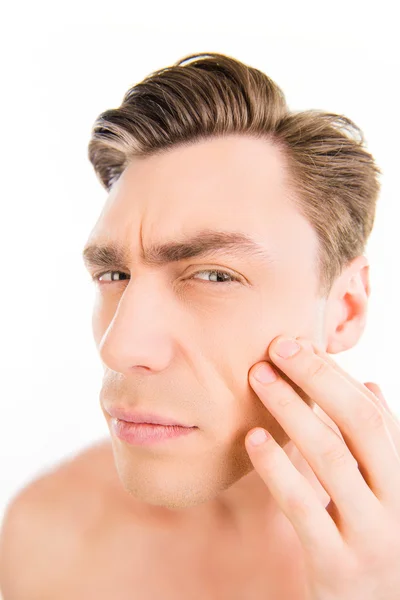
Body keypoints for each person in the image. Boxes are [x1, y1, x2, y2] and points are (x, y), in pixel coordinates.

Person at [2, 52, 400, 599]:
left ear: (346, 309)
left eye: (214, 275)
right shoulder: (48, 534)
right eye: (113, 272)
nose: (119, 346)